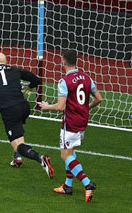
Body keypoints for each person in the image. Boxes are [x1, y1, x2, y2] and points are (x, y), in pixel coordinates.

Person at [39, 50, 102, 202]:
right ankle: (68, 186)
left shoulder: (64, 82)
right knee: (71, 152)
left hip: (71, 122)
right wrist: (87, 107)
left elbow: (61, 107)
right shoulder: (87, 78)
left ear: (63, 62)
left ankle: (87, 183)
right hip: (83, 120)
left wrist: (47, 107)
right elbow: (99, 98)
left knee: (64, 155)